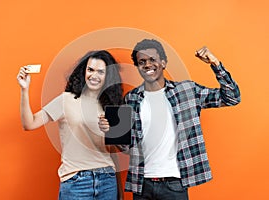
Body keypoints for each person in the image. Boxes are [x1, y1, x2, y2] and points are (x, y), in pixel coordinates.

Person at [98, 39, 241, 200]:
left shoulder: (187, 91)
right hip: (142, 184)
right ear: (138, 67)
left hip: (174, 184)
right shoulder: (131, 98)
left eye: (152, 59)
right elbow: (126, 147)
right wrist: (111, 130)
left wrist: (215, 63)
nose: (147, 65)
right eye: (142, 62)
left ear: (163, 63)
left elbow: (232, 97)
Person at [17, 50, 124, 200]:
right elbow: (29, 123)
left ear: (108, 76)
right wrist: (24, 89)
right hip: (76, 181)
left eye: (101, 72)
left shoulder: (112, 105)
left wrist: (110, 131)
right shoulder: (66, 100)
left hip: (107, 179)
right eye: (90, 70)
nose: (94, 76)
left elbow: (123, 149)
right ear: (83, 71)